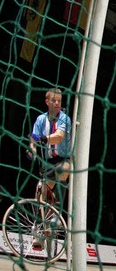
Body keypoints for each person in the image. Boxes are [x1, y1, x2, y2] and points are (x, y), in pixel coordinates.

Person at [29, 88, 72, 250]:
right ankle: (39, 230)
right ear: (47, 102)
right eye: (54, 101)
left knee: (63, 170)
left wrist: (44, 138)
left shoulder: (65, 118)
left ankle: (55, 217)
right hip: (46, 163)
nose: (57, 104)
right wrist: (31, 150)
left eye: (59, 101)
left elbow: (59, 136)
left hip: (63, 159)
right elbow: (33, 140)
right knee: (40, 191)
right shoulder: (40, 119)